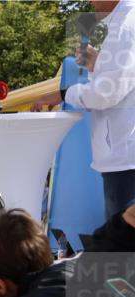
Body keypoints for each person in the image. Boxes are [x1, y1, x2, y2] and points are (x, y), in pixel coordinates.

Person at [31, 0, 135, 218]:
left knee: (122, 247)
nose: (89, 1)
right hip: (123, 159)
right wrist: (97, 65)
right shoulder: (123, 24)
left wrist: (63, 93)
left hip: (126, 163)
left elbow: (106, 93)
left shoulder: (126, 26)